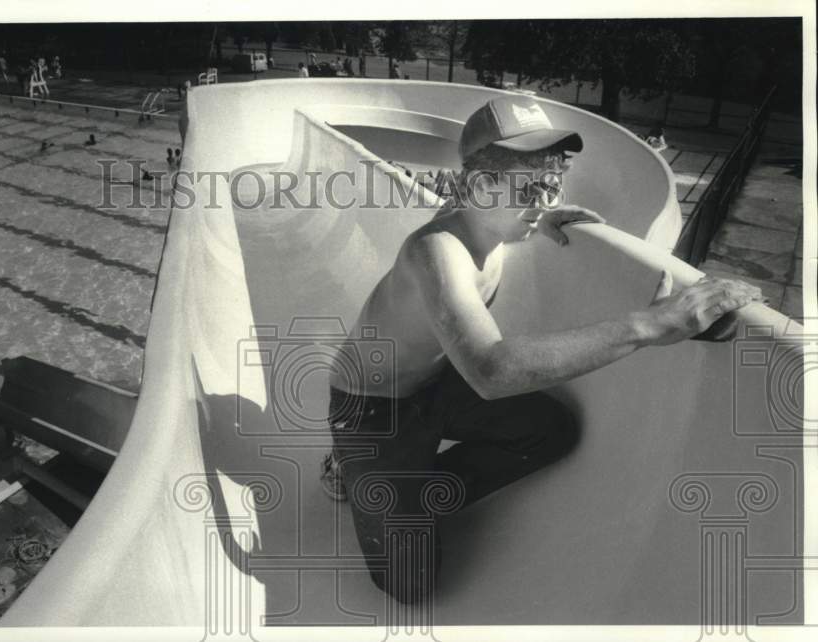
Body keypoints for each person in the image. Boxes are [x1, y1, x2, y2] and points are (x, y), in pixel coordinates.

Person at [320, 95, 763, 605]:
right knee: (410, 587)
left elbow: (470, 205)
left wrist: (536, 214)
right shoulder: (435, 251)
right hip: (371, 413)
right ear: (483, 188)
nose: (548, 201)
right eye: (533, 188)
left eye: (554, 185)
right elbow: (489, 371)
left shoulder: (484, 216)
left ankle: (408, 496)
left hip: (434, 384)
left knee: (549, 432)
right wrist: (652, 324)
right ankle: (356, 471)